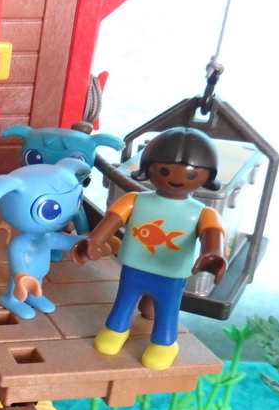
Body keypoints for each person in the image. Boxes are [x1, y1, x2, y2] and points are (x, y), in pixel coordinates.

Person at [72, 127, 227, 370]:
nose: (176, 178)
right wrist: (94, 241)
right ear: (148, 168)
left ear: (207, 175)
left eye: (190, 173)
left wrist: (212, 254)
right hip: (135, 266)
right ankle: (116, 330)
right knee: (124, 299)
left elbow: (212, 234)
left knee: (167, 308)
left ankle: (165, 343)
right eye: (164, 170)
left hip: (171, 273)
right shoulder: (134, 200)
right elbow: (112, 220)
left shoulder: (203, 212)